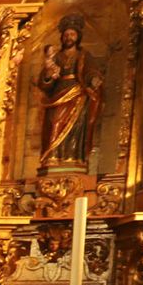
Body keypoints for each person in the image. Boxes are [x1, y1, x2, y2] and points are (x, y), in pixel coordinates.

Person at [36, 14, 103, 170]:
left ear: (78, 37)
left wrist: (93, 79)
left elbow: (92, 71)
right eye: (66, 34)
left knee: (76, 127)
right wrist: (48, 74)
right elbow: (44, 83)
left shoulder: (84, 55)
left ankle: (74, 157)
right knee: (55, 123)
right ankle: (52, 155)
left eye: (72, 34)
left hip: (78, 94)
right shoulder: (56, 56)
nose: (68, 37)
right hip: (58, 94)